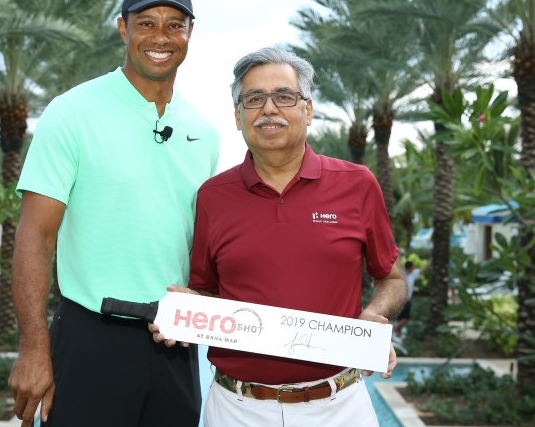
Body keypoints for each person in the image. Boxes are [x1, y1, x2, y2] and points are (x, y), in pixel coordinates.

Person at [7, 0, 220, 427]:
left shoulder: (205, 131)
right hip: (90, 338)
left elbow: (203, 245)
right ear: (123, 28)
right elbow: (35, 235)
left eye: (173, 24)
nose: (160, 36)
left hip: (176, 340)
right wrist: (32, 348)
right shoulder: (72, 112)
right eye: (146, 23)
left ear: (189, 34)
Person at [162, 47, 407, 426]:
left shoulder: (357, 184)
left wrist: (373, 315)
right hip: (236, 409)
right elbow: (208, 292)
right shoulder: (212, 197)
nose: (269, 109)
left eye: (284, 97)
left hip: (339, 406)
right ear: (239, 116)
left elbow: (391, 279)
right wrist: (184, 310)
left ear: (307, 110)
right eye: (254, 99)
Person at [394, 260, 422, 342]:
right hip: (402, 300)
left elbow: (422, 270)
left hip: (406, 300)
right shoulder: (401, 274)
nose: (414, 268)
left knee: (400, 320)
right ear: (409, 267)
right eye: (413, 267)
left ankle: (399, 339)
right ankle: (392, 331)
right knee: (405, 319)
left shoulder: (413, 274)